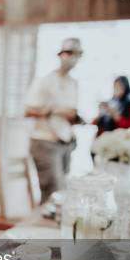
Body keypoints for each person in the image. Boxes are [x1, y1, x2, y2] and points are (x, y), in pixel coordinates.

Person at [25, 37, 82, 203]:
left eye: (76, 55)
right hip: (45, 141)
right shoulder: (45, 81)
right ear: (61, 55)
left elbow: (71, 113)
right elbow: (28, 110)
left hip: (65, 141)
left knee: (63, 191)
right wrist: (54, 111)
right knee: (53, 192)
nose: (72, 58)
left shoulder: (73, 83)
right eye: (69, 53)